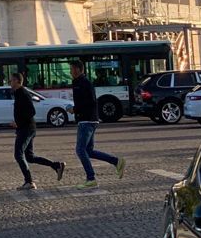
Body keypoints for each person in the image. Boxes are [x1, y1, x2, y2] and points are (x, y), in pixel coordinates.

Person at [71, 59, 126, 190]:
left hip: (87, 120)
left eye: (72, 69)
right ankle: (116, 161)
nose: (71, 72)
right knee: (88, 151)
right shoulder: (79, 82)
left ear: (78, 69)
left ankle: (91, 178)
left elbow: (90, 101)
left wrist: (75, 109)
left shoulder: (84, 83)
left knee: (80, 150)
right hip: (87, 119)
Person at [10, 72, 65, 191]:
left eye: (12, 81)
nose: (10, 83)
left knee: (18, 154)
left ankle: (29, 181)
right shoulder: (18, 93)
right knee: (29, 157)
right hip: (26, 128)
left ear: (18, 81)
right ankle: (56, 166)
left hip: (26, 129)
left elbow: (31, 112)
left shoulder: (23, 93)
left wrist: (19, 123)